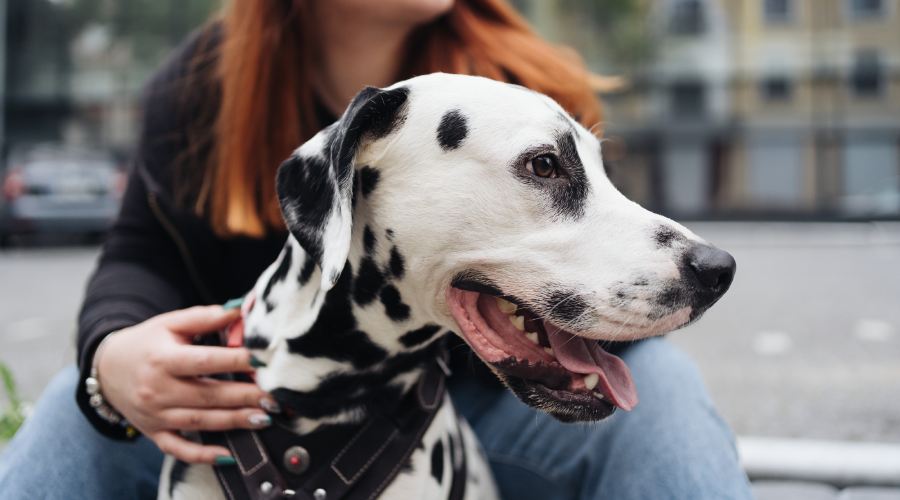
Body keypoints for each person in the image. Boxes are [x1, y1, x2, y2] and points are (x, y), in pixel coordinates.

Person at [0, 1, 752, 498]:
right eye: (545, 170)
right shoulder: (204, 87)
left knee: (664, 388)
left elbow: (590, 238)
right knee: (84, 395)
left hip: (472, 414)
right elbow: (142, 254)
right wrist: (112, 361)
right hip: (246, 410)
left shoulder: (521, 86)